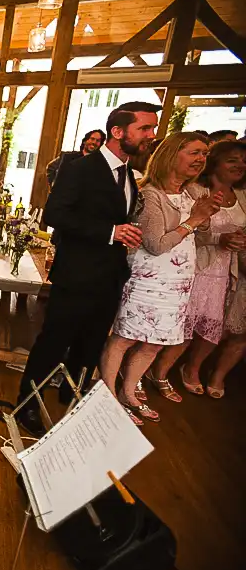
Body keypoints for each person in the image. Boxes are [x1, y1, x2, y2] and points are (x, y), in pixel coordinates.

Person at [15, 103, 160, 437]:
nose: (151, 136)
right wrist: (110, 231)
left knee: (91, 345)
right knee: (54, 342)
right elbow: (55, 214)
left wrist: (124, 235)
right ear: (118, 132)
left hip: (109, 278)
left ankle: (73, 395)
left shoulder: (129, 176)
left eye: (152, 129)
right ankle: (29, 403)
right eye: (145, 129)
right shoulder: (81, 168)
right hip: (76, 275)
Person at [97, 133, 220, 425]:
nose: (201, 159)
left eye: (204, 154)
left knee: (154, 343)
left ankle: (129, 391)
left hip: (177, 283)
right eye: (194, 153)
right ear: (171, 155)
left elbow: (199, 239)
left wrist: (205, 216)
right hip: (148, 280)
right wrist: (193, 220)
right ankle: (108, 393)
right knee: (125, 339)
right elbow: (155, 244)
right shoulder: (150, 194)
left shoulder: (192, 193)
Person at [146, 140, 246, 399]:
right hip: (194, 265)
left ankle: (188, 371)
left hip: (225, 270)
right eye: (232, 160)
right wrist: (217, 239)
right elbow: (185, 230)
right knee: (180, 326)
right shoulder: (192, 190)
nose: (240, 165)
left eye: (243, 161)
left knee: (208, 327)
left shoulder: (243, 197)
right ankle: (154, 372)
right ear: (217, 162)